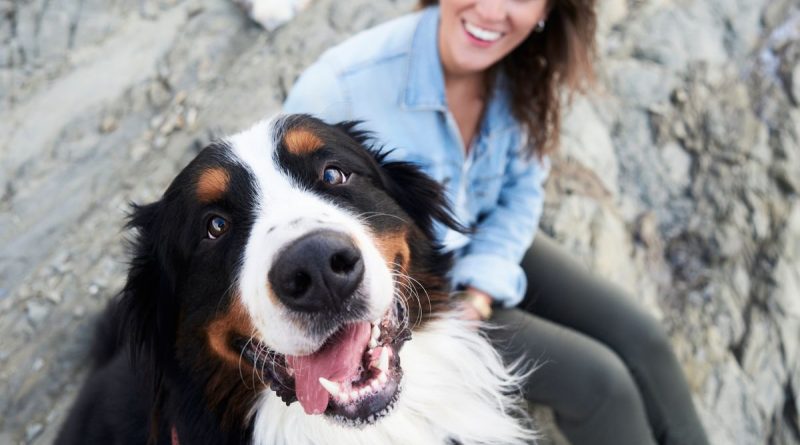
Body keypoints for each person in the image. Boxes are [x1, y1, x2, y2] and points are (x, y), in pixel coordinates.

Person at [283, 0, 710, 444]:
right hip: (410, 288)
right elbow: (291, 217)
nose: (490, 10)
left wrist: (484, 286)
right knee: (602, 384)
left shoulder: (526, 69)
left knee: (643, 337)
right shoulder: (339, 88)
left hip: (484, 239)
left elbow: (522, 191)